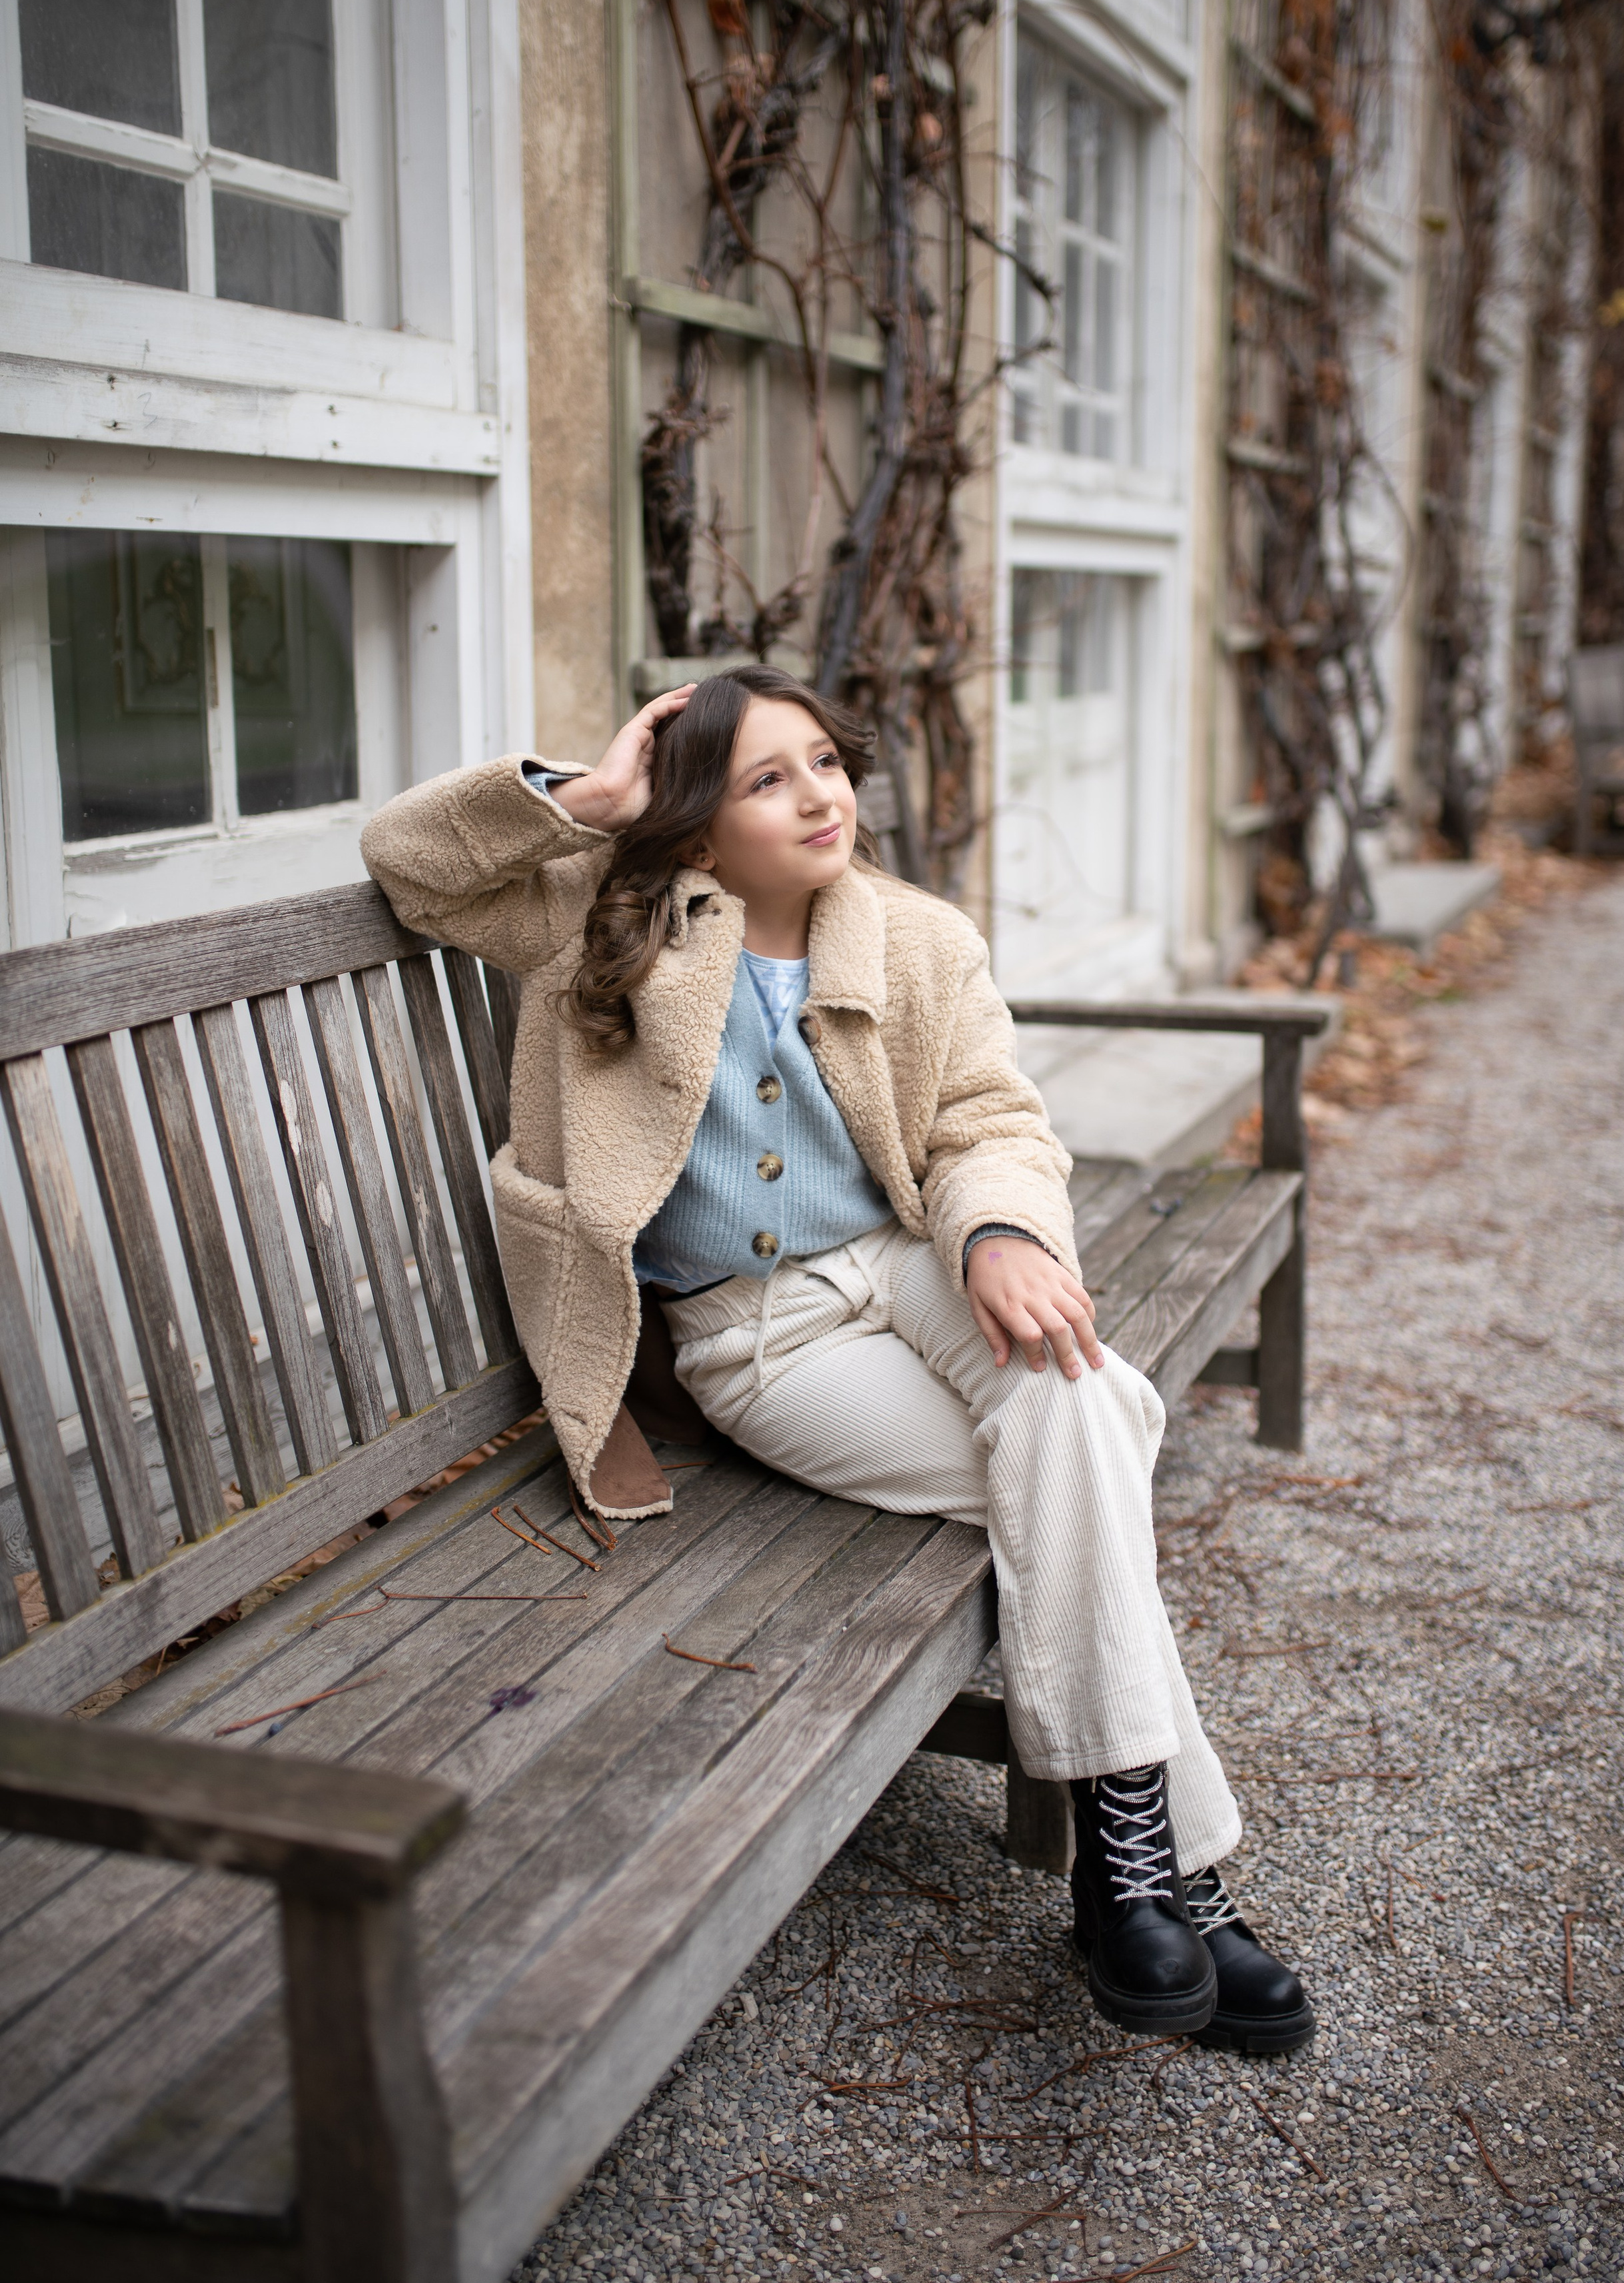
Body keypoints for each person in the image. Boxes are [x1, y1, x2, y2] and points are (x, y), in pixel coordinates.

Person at [361, 666, 1313, 2054]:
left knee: (1075, 1396)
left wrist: (991, 1229)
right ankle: (1172, 1878)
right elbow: (412, 868)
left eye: (822, 761)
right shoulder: (596, 917)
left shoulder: (915, 938)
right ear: (694, 829)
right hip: (758, 1334)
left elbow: (990, 1112)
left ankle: (1127, 1875)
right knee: (1083, 1455)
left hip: (910, 1264)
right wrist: (586, 796)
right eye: (765, 778)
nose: (818, 796)